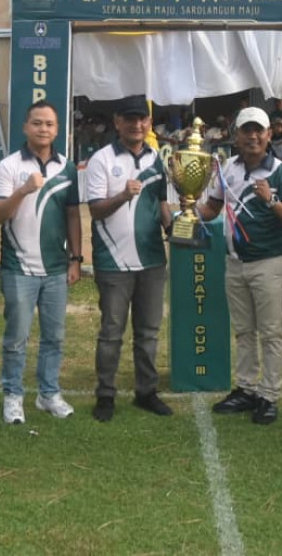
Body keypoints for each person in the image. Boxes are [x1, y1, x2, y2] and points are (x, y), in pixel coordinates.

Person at [200, 106, 282, 425]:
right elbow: (213, 207)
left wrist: (271, 201)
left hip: (270, 262)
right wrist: (186, 208)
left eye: (259, 130)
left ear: (269, 134)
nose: (253, 136)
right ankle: (246, 388)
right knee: (244, 331)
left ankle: (269, 395)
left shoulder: (280, 172)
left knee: (270, 332)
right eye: (247, 130)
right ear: (237, 135)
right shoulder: (227, 168)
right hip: (235, 263)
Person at [0, 101, 83, 424]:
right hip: (19, 268)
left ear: (58, 130)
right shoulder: (8, 166)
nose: (43, 129)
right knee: (17, 337)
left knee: (54, 337)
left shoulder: (67, 168)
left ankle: (48, 394)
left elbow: (73, 215)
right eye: (37, 123)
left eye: (49, 124)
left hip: (57, 269)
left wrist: (76, 258)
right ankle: (13, 396)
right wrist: (23, 190)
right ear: (25, 127)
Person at [86, 95, 173, 422]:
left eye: (143, 119)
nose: (137, 124)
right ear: (117, 122)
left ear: (149, 124)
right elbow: (95, 210)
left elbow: (161, 202)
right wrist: (123, 194)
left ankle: (146, 391)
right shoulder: (101, 159)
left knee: (148, 332)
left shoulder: (156, 159)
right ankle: (105, 394)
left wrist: (174, 226)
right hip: (113, 262)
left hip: (152, 259)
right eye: (130, 118)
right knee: (111, 332)